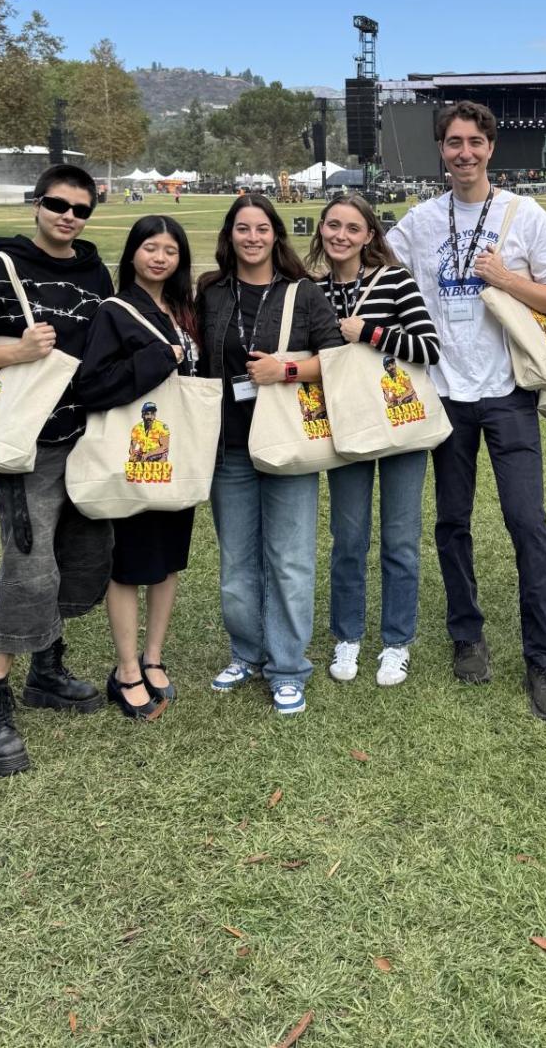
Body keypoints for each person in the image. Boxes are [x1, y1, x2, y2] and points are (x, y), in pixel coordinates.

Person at [387, 100, 546, 721]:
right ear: (440, 150)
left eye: (474, 142)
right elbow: (370, 265)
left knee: (528, 524)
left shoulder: (526, 217)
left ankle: (544, 660)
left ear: (490, 148)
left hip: (508, 394)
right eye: (452, 143)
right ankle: (467, 633)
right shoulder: (419, 221)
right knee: (453, 523)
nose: (464, 153)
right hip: (445, 396)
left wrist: (504, 278)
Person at [0, 164, 114, 777]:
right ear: (37, 204)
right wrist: (15, 351)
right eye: (59, 204)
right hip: (21, 450)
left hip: (83, 441)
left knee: (80, 560)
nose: (69, 216)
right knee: (27, 570)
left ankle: (47, 671)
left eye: (81, 208)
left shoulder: (94, 273)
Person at [197, 193, 344, 716]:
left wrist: (283, 370)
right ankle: (247, 653)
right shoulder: (212, 291)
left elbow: (335, 360)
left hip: (287, 446)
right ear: (229, 236)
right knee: (237, 563)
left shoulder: (303, 294)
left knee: (289, 561)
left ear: (275, 236)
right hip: (228, 448)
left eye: (262, 229)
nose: (253, 238)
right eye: (243, 229)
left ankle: (287, 667)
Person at [307, 193, 440, 688]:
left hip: (400, 423)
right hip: (347, 427)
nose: (341, 235)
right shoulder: (311, 289)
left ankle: (396, 642)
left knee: (401, 541)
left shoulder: (395, 281)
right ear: (322, 229)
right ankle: (348, 635)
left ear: (369, 237)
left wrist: (371, 332)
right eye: (333, 225)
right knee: (348, 539)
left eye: (353, 228)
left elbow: (429, 349)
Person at [73, 216, 200, 721]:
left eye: (171, 250)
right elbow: (93, 385)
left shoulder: (184, 310)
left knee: (168, 560)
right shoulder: (115, 311)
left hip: (179, 453)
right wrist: (157, 360)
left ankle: (153, 656)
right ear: (132, 254)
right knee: (128, 564)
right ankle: (126, 668)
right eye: (151, 247)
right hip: (132, 458)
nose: (160, 258)